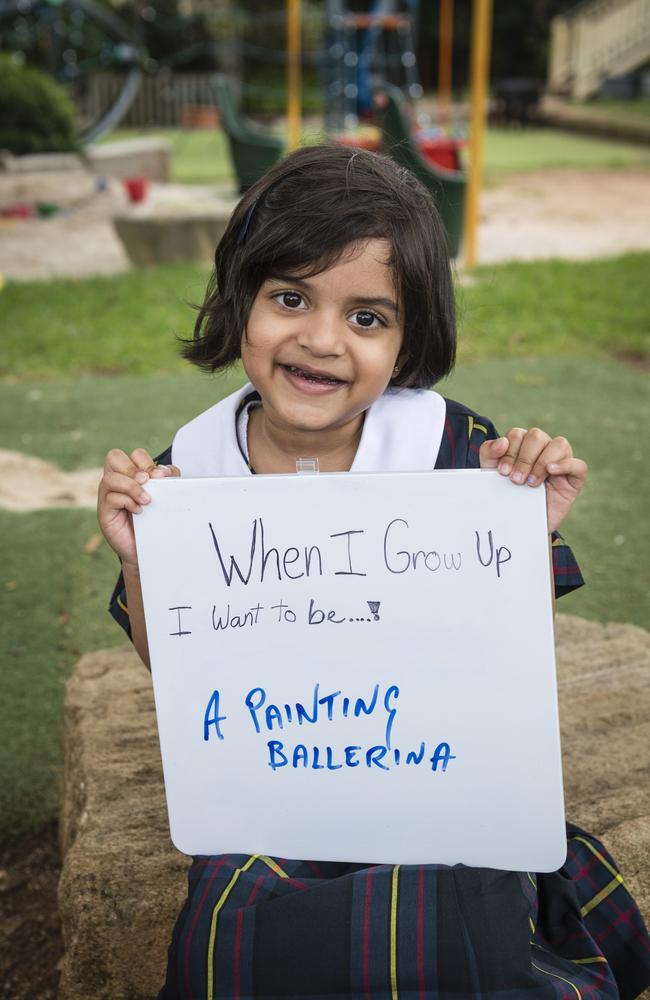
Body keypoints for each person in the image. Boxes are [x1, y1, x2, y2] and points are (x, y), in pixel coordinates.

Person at [97, 145, 650, 998]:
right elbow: (170, 666)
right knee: (234, 939)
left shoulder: (460, 452)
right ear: (240, 299)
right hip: (268, 791)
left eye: (367, 317)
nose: (321, 340)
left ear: (408, 338)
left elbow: (505, 662)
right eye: (290, 297)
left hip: (431, 777)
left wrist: (522, 535)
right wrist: (141, 561)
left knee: (455, 927)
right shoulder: (188, 474)